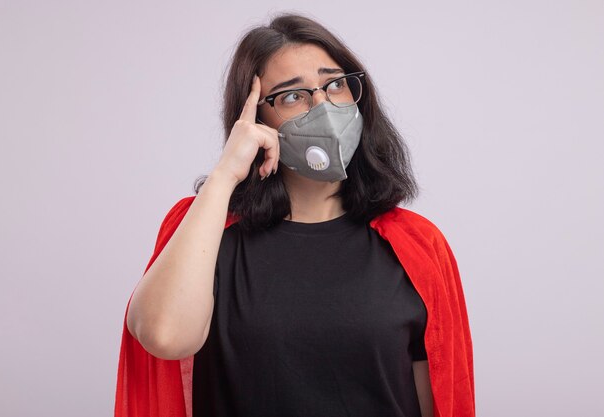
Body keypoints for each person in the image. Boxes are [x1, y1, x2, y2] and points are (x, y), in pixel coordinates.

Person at [114, 13, 475, 417]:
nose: (323, 107)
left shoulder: (417, 244)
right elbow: (163, 336)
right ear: (253, 120)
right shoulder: (206, 229)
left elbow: (438, 399)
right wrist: (226, 175)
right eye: (292, 96)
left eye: (334, 84)